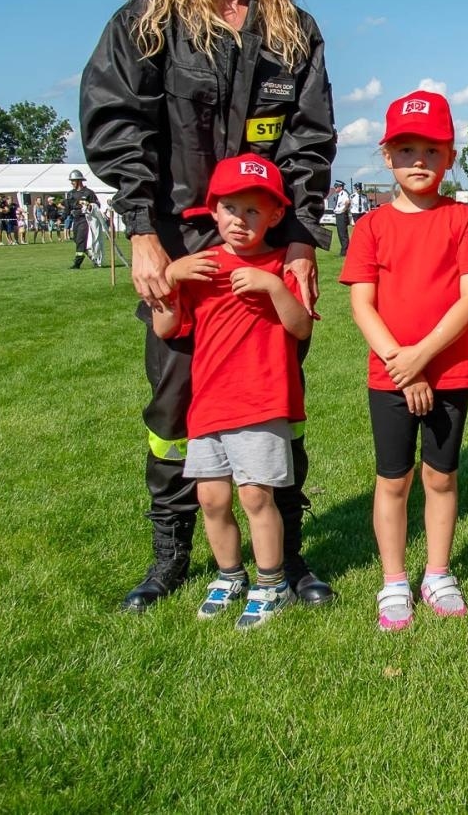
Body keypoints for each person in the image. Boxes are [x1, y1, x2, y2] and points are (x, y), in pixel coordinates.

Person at [80, 0, 338, 613]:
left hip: (268, 249)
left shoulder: (293, 33)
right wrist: (141, 233)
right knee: (173, 411)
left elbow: (310, 141)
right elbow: (114, 123)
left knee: (275, 404)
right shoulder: (148, 19)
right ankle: (171, 556)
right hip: (183, 247)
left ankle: (284, 555)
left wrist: (298, 239)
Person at [340, 91, 468, 632]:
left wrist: (422, 359)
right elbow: (362, 301)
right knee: (393, 479)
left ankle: (437, 572)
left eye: (431, 150)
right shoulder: (372, 226)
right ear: (387, 155)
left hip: (447, 372)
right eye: (406, 149)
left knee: (441, 476)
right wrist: (398, 363)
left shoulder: (465, 221)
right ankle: (394, 580)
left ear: (449, 155)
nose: (419, 161)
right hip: (389, 377)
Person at [151, 154, 312, 629]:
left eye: (254, 211)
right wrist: (170, 278)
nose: (240, 221)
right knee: (212, 500)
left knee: (256, 498)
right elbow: (166, 328)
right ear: (213, 210)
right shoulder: (199, 267)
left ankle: (272, 583)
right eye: (231, 209)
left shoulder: (283, 264)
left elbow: (301, 328)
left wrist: (273, 287)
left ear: (275, 216)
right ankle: (228, 575)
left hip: (262, 403)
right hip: (209, 404)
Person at [62, 176, 99, 266]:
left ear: (79, 181)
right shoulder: (70, 193)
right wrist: (61, 218)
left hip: (85, 219)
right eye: (71, 181)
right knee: (76, 240)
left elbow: (97, 205)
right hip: (76, 219)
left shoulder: (89, 193)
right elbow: (67, 208)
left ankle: (77, 262)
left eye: (73, 181)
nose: (72, 183)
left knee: (80, 240)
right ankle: (94, 258)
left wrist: (89, 205)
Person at [331, 179, 351, 255]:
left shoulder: (344, 194)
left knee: (343, 234)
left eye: (336, 187)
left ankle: (345, 251)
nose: (335, 188)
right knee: (340, 233)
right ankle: (344, 250)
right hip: (338, 215)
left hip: (341, 215)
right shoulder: (339, 195)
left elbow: (348, 202)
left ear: (341, 187)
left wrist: (344, 210)